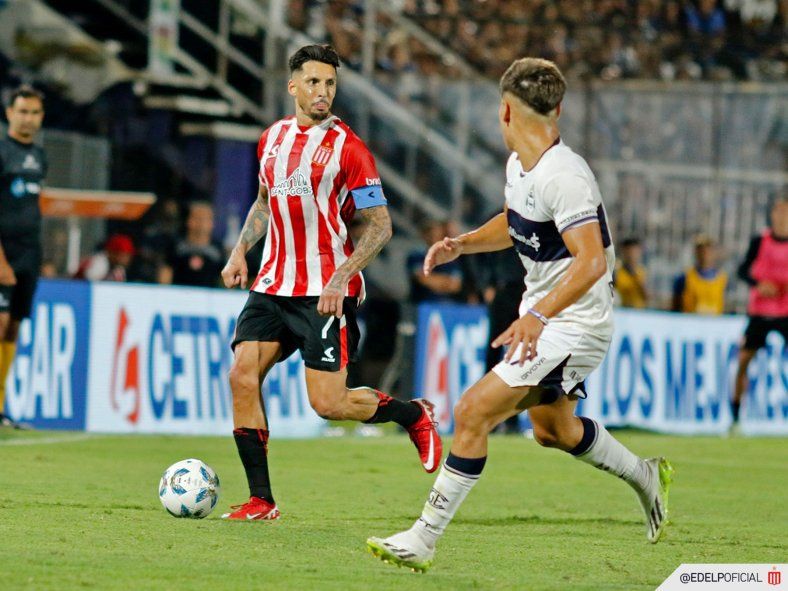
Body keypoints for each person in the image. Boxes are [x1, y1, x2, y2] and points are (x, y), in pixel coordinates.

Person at [366, 58, 673, 572]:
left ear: (506, 111)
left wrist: (539, 316)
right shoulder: (521, 166)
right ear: (559, 108)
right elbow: (516, 221)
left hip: (574, 324)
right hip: (551, 319)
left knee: (472, 411)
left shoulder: (566, 177)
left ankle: (423, 537)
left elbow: (592, 260)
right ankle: (644, 474)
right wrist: (462, 245)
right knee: (553, 431)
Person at [219, 44, 441, 521]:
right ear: (292, 85)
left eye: (331, 84)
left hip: (323, 291)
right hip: (272, 283)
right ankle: (262, 499)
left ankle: (412, 415)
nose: (323, 92)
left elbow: (380, 224)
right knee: (242, 376)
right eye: (314, 82)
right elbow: (263, 201)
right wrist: (240, 251)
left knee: (329, 404)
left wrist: (343, 275)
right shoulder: (272, 139)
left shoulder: (350, 149)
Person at [0, 85, 47, 429]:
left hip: (29, 253)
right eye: (22, 111)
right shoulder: (2, 151)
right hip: (4, 252)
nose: (28, 118)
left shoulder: (39, 156)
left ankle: (1, 407)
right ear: (9, 114)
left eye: (34, 112)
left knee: (13, 327)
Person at [731, 198, 788, 432]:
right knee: (744, 361)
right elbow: (742, 270)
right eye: (778, 210)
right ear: (772, 214)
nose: (781, 215)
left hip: (785, 311)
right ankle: (734, 417)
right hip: (760, 311)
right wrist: (758, 284)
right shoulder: (760, 241)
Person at [159, 201, 224, 288]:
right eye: (198, 218)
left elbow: (224, 279)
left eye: (206, 218)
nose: (201, 223)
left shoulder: (217, 249)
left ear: (212, 223)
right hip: (178, 295)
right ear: (189, 220)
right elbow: (166, 272)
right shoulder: (176, 246)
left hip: (208, 298)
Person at [406, 219, 464, 304]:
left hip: (446, 304)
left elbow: (455, 285)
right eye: (432, 234)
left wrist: (435, 280)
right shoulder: (416, 256)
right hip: (420, 303)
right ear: (425, 236)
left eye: (438, 234)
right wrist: (445, 282)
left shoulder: (449, 258)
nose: (435, 238)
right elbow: (423, 278)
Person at [671, 235, 727, 314]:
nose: (705, 254)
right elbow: (675, 306)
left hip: (713, 324)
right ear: (696, 252)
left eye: (709, 250)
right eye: (702, 251)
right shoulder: (684, 277)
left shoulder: (722, 279)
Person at [614, 237, 649, 308]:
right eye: (629, 252)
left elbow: (646, 296)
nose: (631, 255)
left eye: (635, 252)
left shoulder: (641, 271)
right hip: (621, 311)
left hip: (638, 312)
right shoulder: (616, 270)